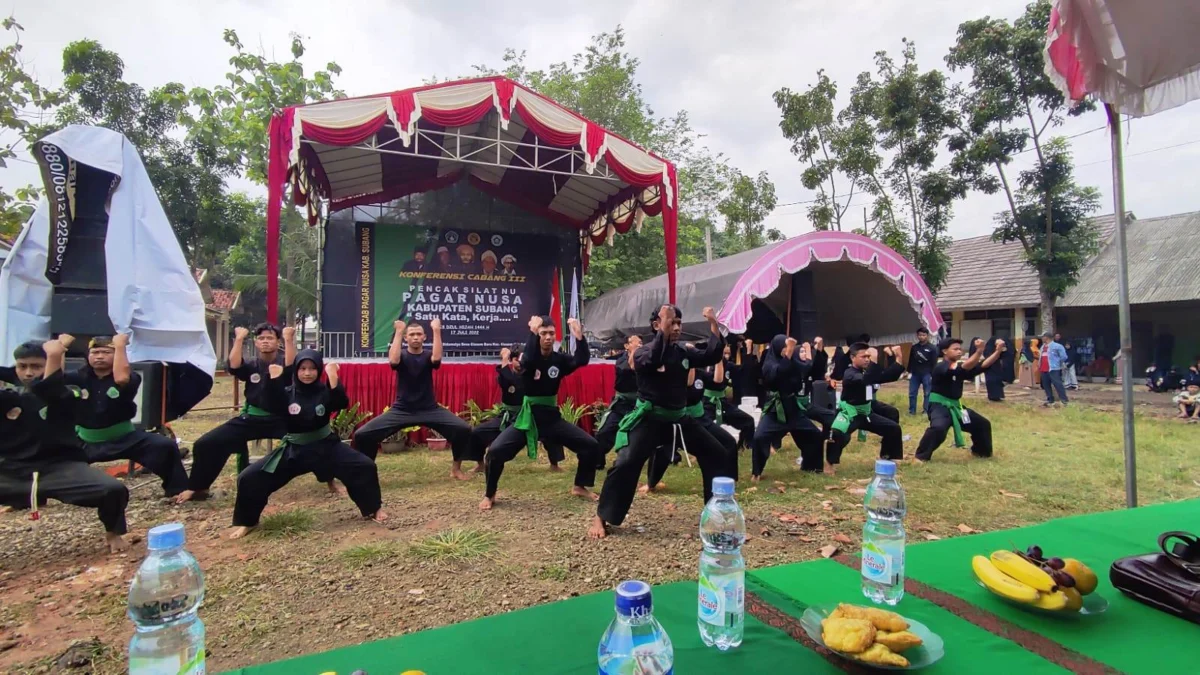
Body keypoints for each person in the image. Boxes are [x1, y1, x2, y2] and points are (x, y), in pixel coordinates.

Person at [589, 305, 736, 539]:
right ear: (656, 325)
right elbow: (655, 356)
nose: (676, 327)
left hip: (679, 419)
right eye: (670, 322)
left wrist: (713, 325)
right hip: (649, 419)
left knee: (718, 453)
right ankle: (602, 515)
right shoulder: (643, 353)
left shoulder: (682, 352)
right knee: (626, 463)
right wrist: (663, 332)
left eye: (678, 322)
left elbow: (712, 354)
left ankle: (714, 512)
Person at [229, 351, 385, 538]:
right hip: (294, 450)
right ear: (296, 370)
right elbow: (271, 403)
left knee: (364, 466)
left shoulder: (323, 391)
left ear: (318, 370)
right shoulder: (287, 393)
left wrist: (333, 377)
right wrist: (273, 380)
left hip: (326, 447)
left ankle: (373, 509)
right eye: (302, 369)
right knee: (249, 477)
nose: (307, 373)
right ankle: (248, 522)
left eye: (312, 369)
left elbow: (340, 402)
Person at [0, 336, 131, 552]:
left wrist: (54, 355)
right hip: (11, 469)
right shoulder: (8, 398)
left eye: (36, 366)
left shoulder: (71, 392)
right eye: (22, 367)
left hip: (59, 468)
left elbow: (50, 391)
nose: (29, 373)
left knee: (112, 489)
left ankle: (113, 533)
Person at [179, 323, 333, 504]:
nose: (266, 342)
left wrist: (289, 340)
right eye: (261, 338)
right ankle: (198, 487)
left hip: (283, 419)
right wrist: (238, 339)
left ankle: (330, 481)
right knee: (207, 443)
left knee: (315, 441)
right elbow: (234, 366)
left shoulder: (285, 361)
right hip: (252, 418)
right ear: (256, 342)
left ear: (278, 342)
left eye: (270, 338)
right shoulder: (251, 364)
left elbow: (291, 367)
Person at [480, 316, 599, 511]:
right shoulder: (528, 358)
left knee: (590, 446)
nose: (548, 337)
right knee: (495, 453)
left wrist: (579, 338)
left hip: (551, 418)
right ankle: (490, 494)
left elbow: (581, 360)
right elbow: (530, 359)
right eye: (543, 333)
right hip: (527, 419)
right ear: (538, 336)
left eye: (551, 333)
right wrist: (532, 333)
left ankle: (580, 486)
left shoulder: (559, 360)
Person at [64, 335, 189, 498]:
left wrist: (121, 346)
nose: (99, 356)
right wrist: (60, 349)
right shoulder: (78, 377)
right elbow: (53, 380)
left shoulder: (131, 377)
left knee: (163, 446)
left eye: (106, 352)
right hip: (85, 440)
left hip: (123, 437)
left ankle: (178, 490)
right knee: (48, 451)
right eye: (95, 352)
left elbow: (122, 378)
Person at [353, 318, 475, 479]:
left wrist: (437, 330)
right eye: (411, 334)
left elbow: (437, 358)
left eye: (419, 334)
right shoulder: (401, 355)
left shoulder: (428, 356)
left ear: (424, 337)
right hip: (402, 410)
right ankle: (367, 472)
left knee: (463, 429)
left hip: (429, 409)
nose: (416, 337)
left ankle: (456, 469)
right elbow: (393, 360)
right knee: (363, 434)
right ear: (406, 338)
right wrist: (398, 331)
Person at [468, 344, 564, 476]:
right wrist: (504, 359)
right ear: (511, 361)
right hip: (508, 416)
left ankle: (555, 464)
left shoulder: (531, 374)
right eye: (516, 359)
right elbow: (506, 379)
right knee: (477, 432)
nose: (520, 363)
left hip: (531, 416)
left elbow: (515, 379)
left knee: (551, 432)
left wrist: (505, 361)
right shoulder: (506, 375)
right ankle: (480, 464)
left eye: (522, 359)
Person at [915, 338, 1005, 462]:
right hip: (939, 406)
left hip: (957, 406)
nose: (959, 351)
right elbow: (964, 366)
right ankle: (920, 457)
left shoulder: (958, 370)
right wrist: (979, 351)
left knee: (982, 424)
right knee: (939, 428)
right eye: (955, 349)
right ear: (945, 351)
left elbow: (983, 365)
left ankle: (981, 452)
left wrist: (998, 351)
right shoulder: (941, 366)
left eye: (960, 349)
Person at [752, 335, 825, 477]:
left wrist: (812, 350)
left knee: (814, 435)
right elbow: (778, 374)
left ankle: (812, 467)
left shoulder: (793, 361)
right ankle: (757, 473)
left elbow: (807, 368)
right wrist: (790, 351)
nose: (788, 350)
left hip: (793, 409)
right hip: (775, 410)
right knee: (759, 437)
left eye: (789, 348)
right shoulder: (769, 363)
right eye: (785, 348)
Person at [825, 343, 905, 472]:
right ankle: (829, 464)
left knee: (893, 428)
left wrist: (898, 359)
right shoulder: (849, 373)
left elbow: (886, 377)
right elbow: (865, 380)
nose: (867, 359)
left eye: (869, 357)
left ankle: (887, 457)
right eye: (864, 356)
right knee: (837, 433)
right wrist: (874, 361)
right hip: (850, 412)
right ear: (853, 357)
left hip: (866, 412)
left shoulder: (867, 371)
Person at [594, 334, 642, 470]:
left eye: (641, 343)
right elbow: (628, 368)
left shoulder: (646, 360)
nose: (639, 345)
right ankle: (597, 461)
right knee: (604, 432)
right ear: (626, 346)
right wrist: (634, 353)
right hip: (621, 403)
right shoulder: (621, 361)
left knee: (639, 436)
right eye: (635, 342)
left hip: (639, 405)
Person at [703, 345, 755, 450]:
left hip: (722, 402)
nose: (726, 356)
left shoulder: (728, 365)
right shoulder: (705, 363)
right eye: (724, 353)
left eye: (728, 354)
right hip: (707, 402)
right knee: (702, 428)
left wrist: (748, 351)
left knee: (748, 421)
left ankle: (745, 445)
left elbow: (743, 371)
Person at [906, 328, 939, 415]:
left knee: (927, 393)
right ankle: (912, 411)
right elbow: (910, 360)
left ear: (927, 336)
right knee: (912, 393)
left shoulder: (933, 348)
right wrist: (908, 371)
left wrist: (933, 374)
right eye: (920, 335)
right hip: (915, 374)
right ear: (917, 336)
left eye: (923, 335)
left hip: (927, 374)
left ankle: (926, 411)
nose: (921, 337)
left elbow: (934, 363)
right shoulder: (914, 348)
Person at [1039, 332, 1069, 406]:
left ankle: (1064, 400)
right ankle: (1050, 399)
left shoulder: (1057, 346)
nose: (1042, 338)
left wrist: (1057, 362)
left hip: (1053, 368)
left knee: (1058, 384)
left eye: (1043, 337)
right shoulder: (1042, 347)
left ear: (1047, 337)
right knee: (1046, 384)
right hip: (1043, 368)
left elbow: (1064, 356)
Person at [981, 337, 1007, 402]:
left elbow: (1003, 354)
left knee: (997, 381)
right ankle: (992, 396)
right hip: (990, 367)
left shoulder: (995, 349)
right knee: (992, 381)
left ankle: (998, 396)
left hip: (996, 367)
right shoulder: (988, 349)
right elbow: (988, 356)